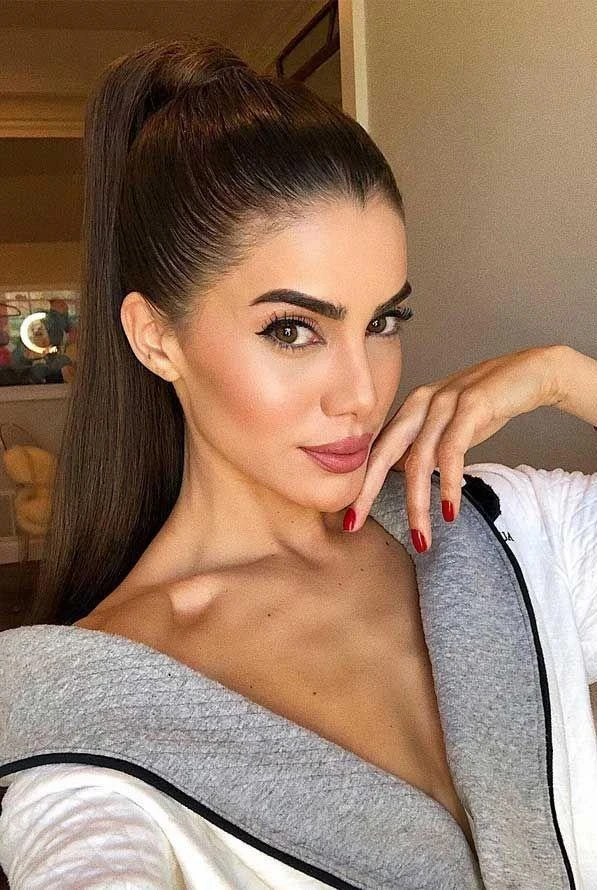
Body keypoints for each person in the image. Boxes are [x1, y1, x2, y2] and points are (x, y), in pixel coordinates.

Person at [0, 36, 595, 890]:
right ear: (156, 338)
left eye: (382, 322)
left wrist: (564, 378)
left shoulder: (502, 530)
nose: (361, 393)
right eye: (292, 330)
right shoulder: (93, 733)